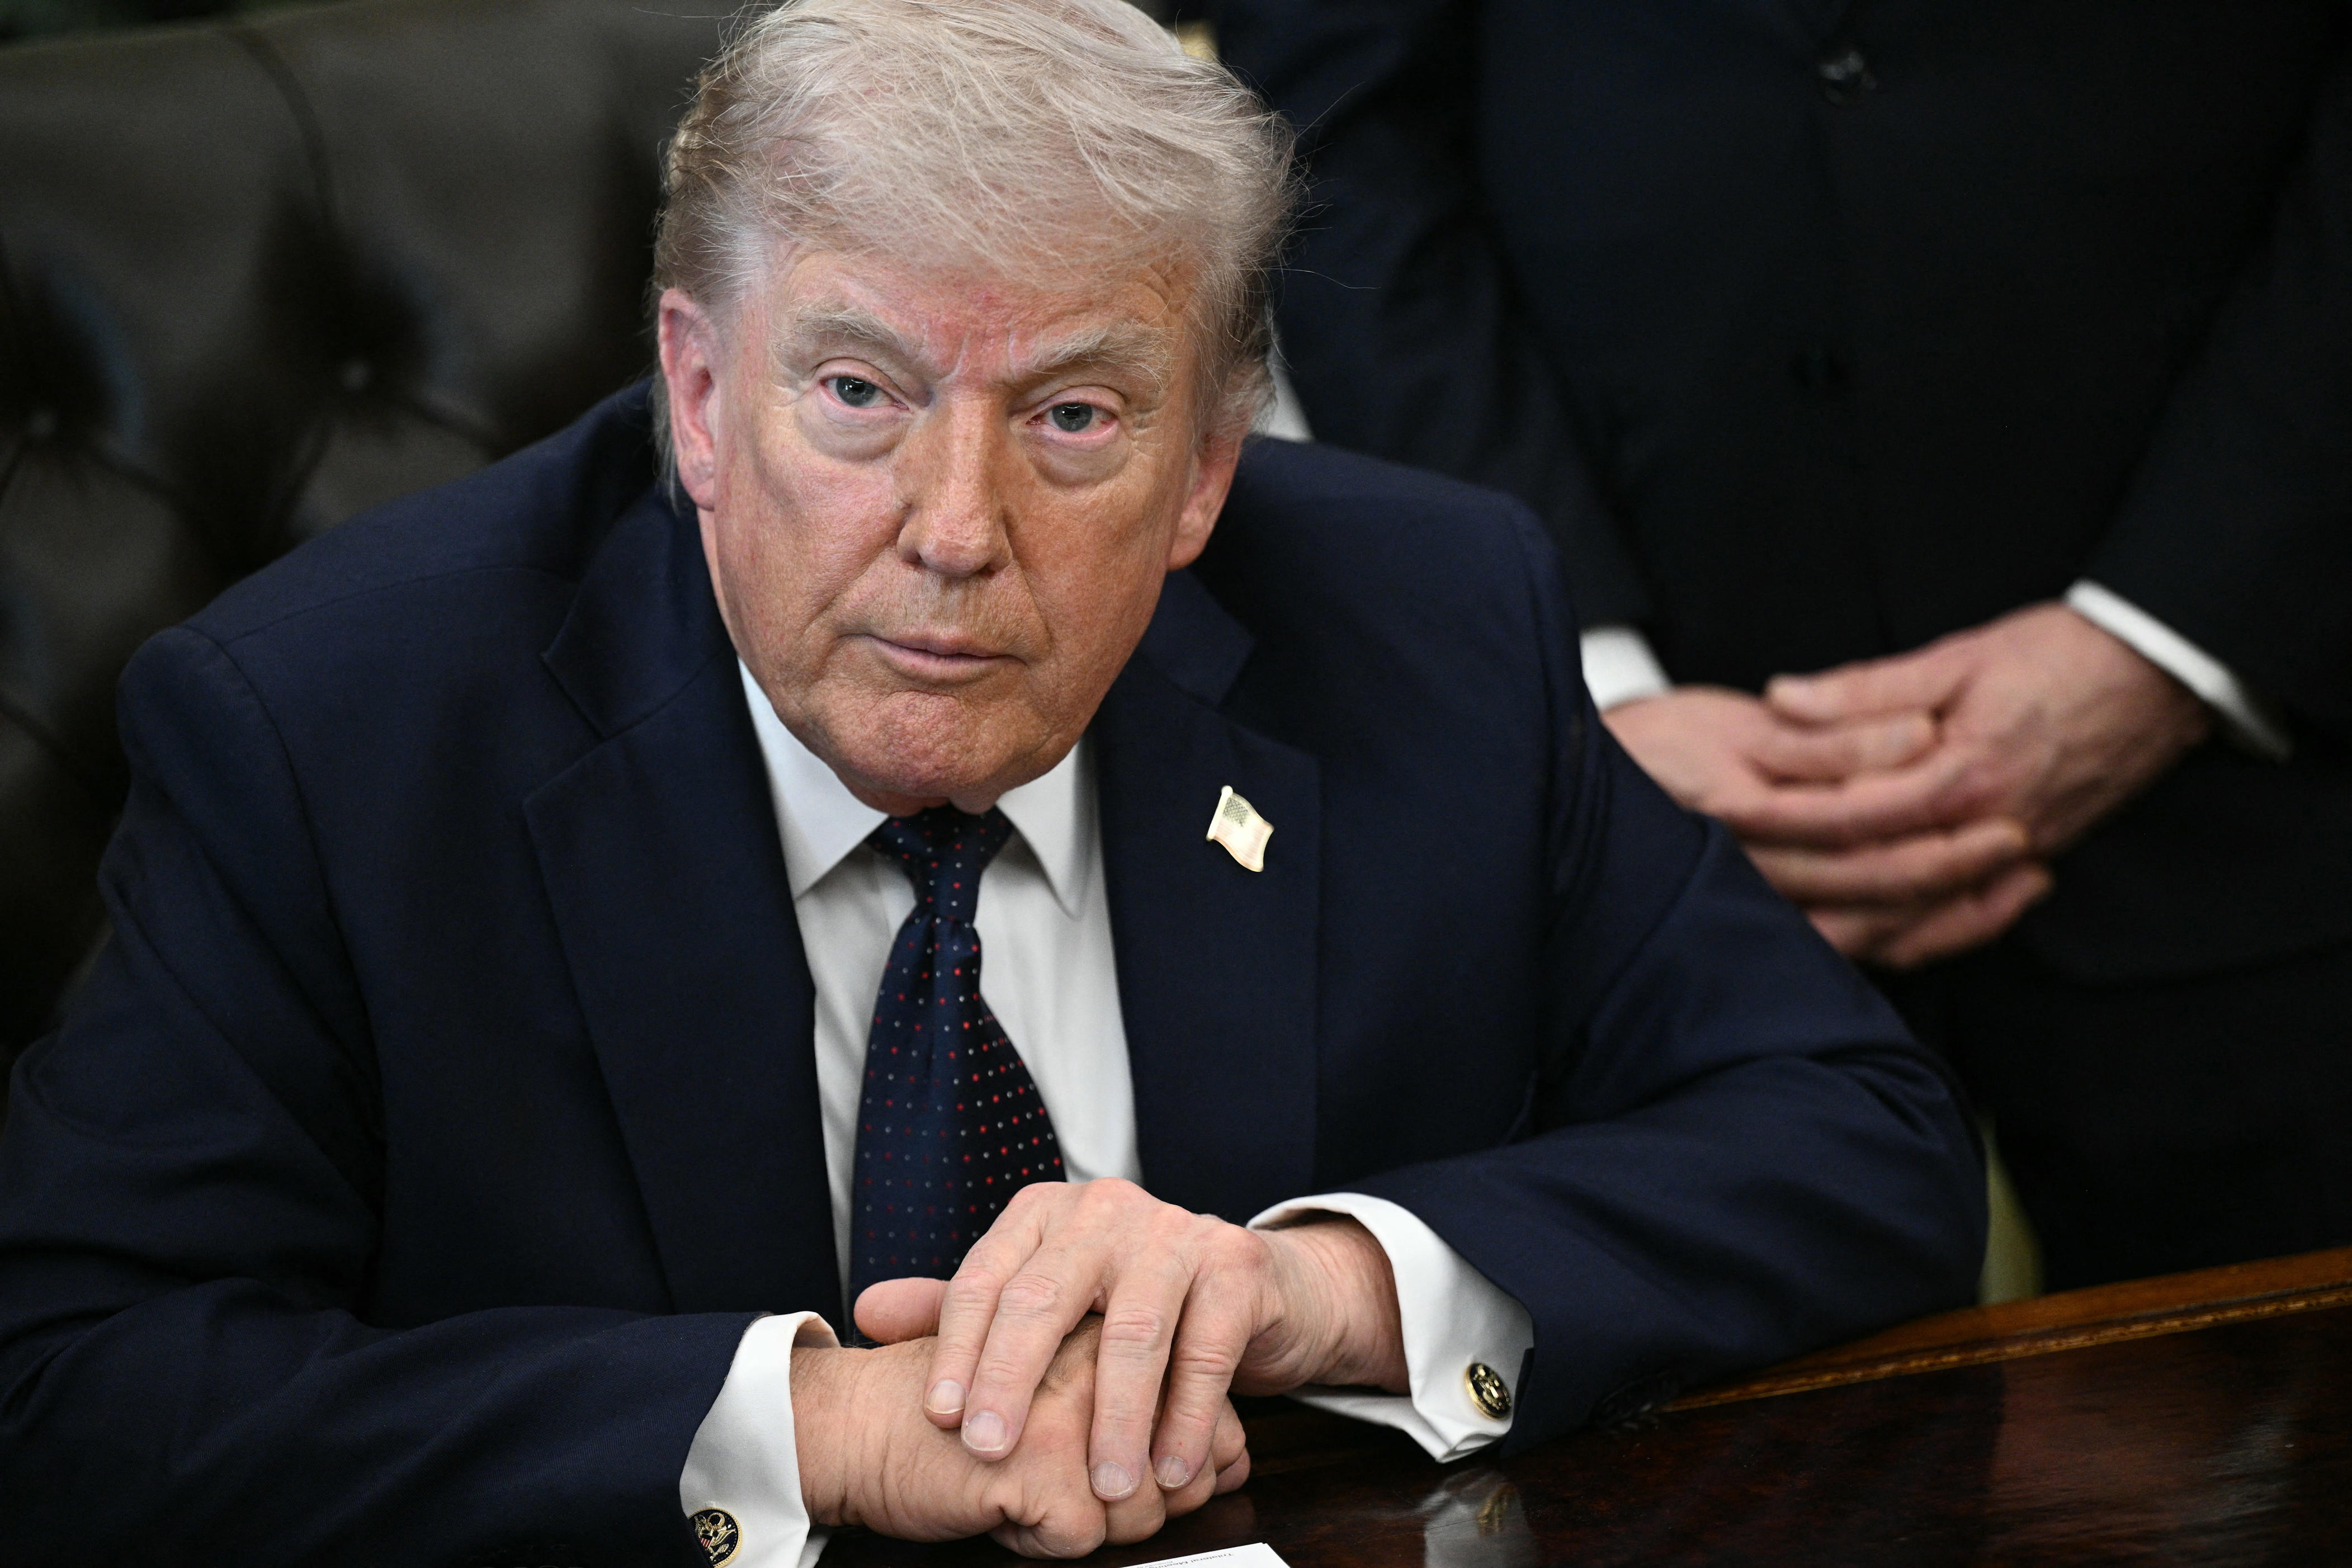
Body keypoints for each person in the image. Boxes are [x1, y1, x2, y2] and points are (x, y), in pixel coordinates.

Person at [0, 2, 1983, 1564]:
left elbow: (1864, 1137)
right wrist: (815, 1427)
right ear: (697, 394)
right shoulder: (327, 728)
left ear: (1209, 463)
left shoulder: (1430, 620)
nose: (957, 528)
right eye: (857, 393)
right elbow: (74, 1389)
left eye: (1073, 415)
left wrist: (1298, 1291)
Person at [1211, 0, 2352, 1290]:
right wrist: (1573, 684)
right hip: (1622, 819)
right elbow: (1339, 126)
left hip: (2261, 749)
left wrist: (2175, 632)